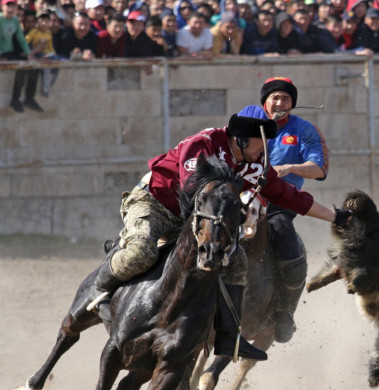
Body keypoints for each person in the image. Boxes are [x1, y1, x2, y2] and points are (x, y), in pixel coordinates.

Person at [91, 112, 347, 361]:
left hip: (193, 219)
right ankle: (100, 289)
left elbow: (290, 196)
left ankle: (228, 337)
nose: (265, 149)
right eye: (262, 143)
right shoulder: (203, 144)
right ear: (242, 139)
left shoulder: (254, 165)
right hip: (154, 203)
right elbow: (193, 187)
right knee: (141, 253)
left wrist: (335, 217)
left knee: (237, 261)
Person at [237, 77, 329, 343]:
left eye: (286, 99)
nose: (280, 103)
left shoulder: (305, 130)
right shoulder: (248, 120)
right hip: (242, 193)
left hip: (281, 201)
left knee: (287, 239)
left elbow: (319, 168)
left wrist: (289, 169)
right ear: (264, 101)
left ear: (293, 104)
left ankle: (284, 311)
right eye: (275, 98)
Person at [2, 0, 42, 113]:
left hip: (10, 52)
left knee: (33, 66)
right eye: (8, 6)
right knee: (21, 67)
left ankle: (29, 98)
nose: (10, 10)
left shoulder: (14, 21)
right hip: (2, 53)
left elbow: (21, 39)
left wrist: (29, 54)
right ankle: (15, 99)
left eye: (13, 7)